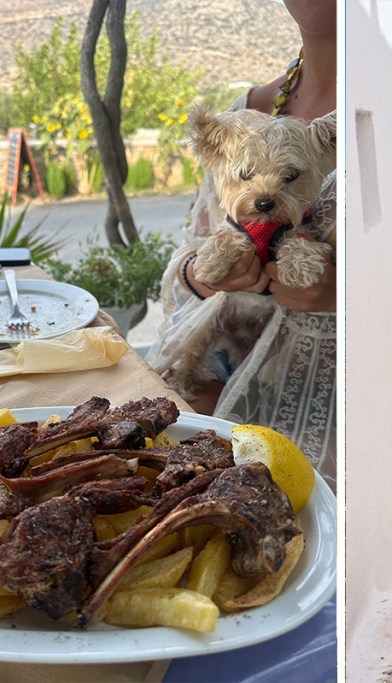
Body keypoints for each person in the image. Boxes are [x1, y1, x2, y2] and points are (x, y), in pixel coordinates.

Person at [146, 0, 337, 491]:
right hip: (202, 398)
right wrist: (201, 274)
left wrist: (346, 292)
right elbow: (187, 258)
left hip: (325, 437)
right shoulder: (239, 116)